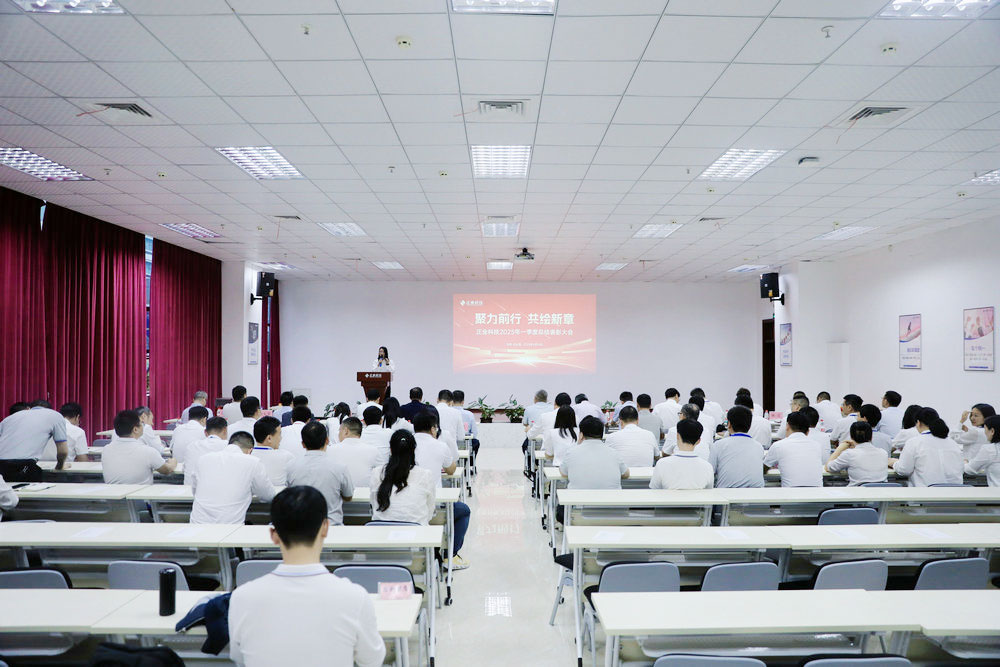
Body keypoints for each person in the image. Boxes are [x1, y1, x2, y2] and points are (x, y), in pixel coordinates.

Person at [228, 485, 386, 667]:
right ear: (325, 527)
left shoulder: (242, 598)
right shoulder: (354, 597)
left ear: (273, 534)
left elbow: (240, 658)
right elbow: (372, 660)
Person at [411, 413, 470, 570]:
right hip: (432, 507)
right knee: (463, 510)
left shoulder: (406, 443)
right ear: (433, 429)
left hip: (401, 509)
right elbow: (451, 470)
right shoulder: (440, 445)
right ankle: (450, 555)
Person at [190, 431, 277, 524]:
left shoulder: (203, 459)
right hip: (229, 528)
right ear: (250, 451)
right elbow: (268, 495)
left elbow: (195, 490)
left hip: (196, 525)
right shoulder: (253, 462)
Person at [287, 421, 354, 524]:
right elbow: (348, 496)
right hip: (332, 526)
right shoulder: (340, 467)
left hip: (301, 526)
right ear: (327, 440)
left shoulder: (291, 466)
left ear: (303, 444)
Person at [370, 429, 437, 525]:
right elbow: (429, 511)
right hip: (416, 532)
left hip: (380, 531)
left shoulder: (377, 473)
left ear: (390, 449)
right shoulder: (425, 475)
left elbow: (373, 504)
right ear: (414, 450)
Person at [890, 407, 963, 487]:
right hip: (955, 492)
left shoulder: (914, 442)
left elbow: (904, 470)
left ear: (918, 423)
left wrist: (893, 463)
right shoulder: (953, 443)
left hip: (926, 493)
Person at [0, 399, 69, 480]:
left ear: (29, 408)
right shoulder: (55, 415)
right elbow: (63, 451)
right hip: (23, 465)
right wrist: (59, 467)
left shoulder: (9, 418)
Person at [101, 410, 176, 484]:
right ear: (135, 429)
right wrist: (173, 462)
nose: (143, 426)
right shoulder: (148, 451)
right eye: (141, 424)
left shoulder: (106, 450)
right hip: (140, 492)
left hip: (112, 491)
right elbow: (167, 470)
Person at [560, 416, 629, 490]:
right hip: (611, 497)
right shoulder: (614, 453)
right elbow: (626, 474)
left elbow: (563, 473)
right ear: (602, 434)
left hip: (579, 497)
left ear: (581, 435)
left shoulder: (571, 452)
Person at [709, 407, 764, 488]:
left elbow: (710, 473)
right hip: (756, 493)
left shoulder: (718, 445)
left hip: (727, 493)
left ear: (729, 424)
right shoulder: (759, 446)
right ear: (749, 426)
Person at [649, 420, 713, 490]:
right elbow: (708, 491)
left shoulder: (662, 464)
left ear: (677, 436)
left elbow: (654, 490)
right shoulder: (707, 467)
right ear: (698, 441)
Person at [763, 411, 822, 487]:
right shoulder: (817, 445)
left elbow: (763, 468)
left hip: (791, 493)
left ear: (787, 426)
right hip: (817, 492)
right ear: (808, 431)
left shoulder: (779, 445)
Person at [826, 421, 889, 486]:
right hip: (881, 491)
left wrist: (840, 448)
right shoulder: (883, 453)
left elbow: (828, 468)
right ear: (871, 437)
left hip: (858, 491)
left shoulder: (849, 454)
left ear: (851, 437)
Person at [328, 416, 380, 487]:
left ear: (346, 431)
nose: (338, 434)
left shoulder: (331, 450)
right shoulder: (373, 450)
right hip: (366, 492)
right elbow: (382, 473)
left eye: (339, 430)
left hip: (340, 492)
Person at [183, 417, 228, 485]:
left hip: (188, 489)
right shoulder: (228, 446)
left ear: (205, 432)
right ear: (225, 430)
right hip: (217, 488)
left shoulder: (191, 446)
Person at [251, 416, 293, 486]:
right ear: (269, 438)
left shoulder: (248, 456)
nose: (281, 438)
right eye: (279, 434)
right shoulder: (286, 456)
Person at [965, 415, 1000, 486]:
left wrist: (965, 463)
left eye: (985, 429)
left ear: (992, 431)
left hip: (996, 492)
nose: (985, 433)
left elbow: (970, 469)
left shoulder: (990, 449)